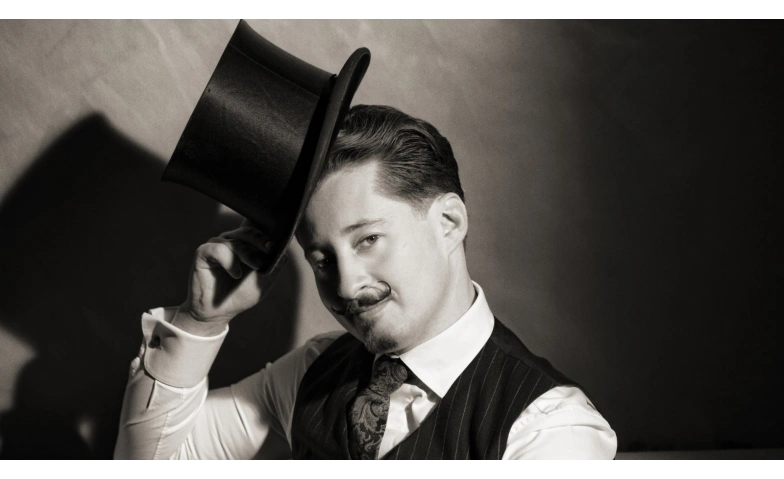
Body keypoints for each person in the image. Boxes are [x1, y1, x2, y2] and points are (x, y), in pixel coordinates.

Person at [114, 105, 617, 462]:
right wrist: (201, 321)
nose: (346, 285)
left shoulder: (550, 429)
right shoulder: (314, 371)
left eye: (368, 239)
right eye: (321, 259)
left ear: (448, 223)